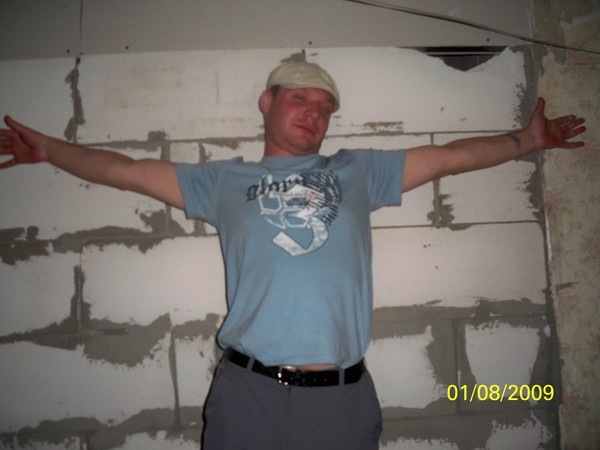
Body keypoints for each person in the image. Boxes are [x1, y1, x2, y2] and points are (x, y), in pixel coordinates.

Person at [0, 62, 586, 449]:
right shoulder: (223, 182)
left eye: (325, 106)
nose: (314, 112)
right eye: (301, 97)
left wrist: (529, 140)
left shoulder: (357, 172)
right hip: (246, 393)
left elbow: (451, 157)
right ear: (267, 101)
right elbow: (126, 171)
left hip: (340, 398)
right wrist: (48, 150)